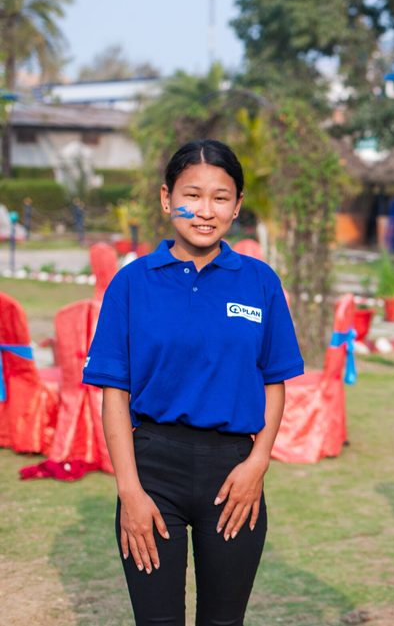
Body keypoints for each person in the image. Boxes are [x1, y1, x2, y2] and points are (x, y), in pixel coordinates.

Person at [83, 139, 303, 626]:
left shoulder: (259, 282)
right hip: (152, 472)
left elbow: (274, 381)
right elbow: (113, 394)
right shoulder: (133, 283)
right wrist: (130, 493)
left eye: (221, 197)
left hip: (233, 476)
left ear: (237, 206)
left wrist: (258, 464)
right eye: (192, 195)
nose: (205, 211)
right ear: (166, 199)